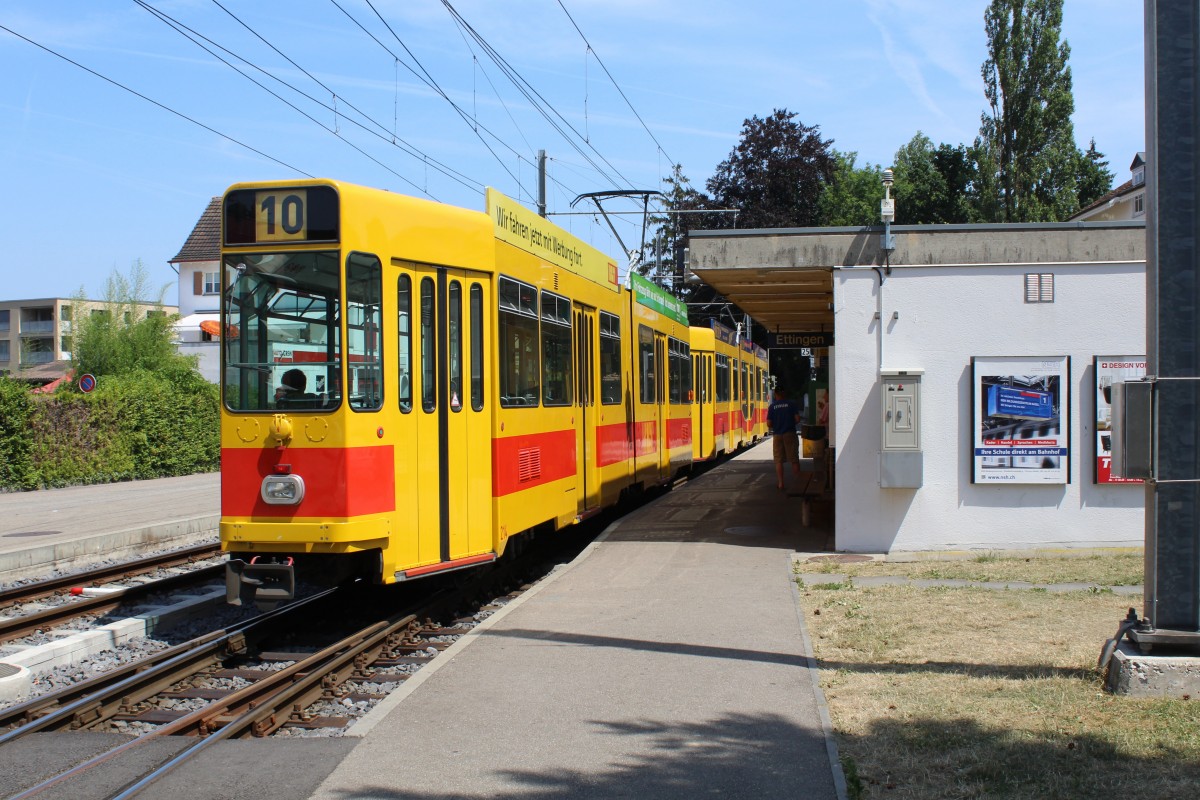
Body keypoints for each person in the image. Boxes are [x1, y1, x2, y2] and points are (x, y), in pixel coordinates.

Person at [767, 387, 802, 490]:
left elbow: (769, 423)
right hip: (790, 433)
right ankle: (797, 482)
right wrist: (790, 423)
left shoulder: (772, 407)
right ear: (785, 394)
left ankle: (781, 483)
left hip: (777, 435)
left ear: (776, 395)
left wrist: (777, 424)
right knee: (794, 459)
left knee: (779, 460)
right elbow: (797, 419)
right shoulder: (791, 404)